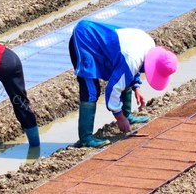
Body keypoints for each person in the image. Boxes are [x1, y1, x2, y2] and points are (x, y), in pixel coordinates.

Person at [68, 19, 178, 148]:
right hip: (84, 39)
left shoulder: (148, 44)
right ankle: (85, 139)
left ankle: (127, 115)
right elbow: (113, 89)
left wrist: (136, 86)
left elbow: (134, 68)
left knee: (125, 79)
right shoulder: (132, 59)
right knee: (91, 90)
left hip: (107, 46)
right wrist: (119, 118)